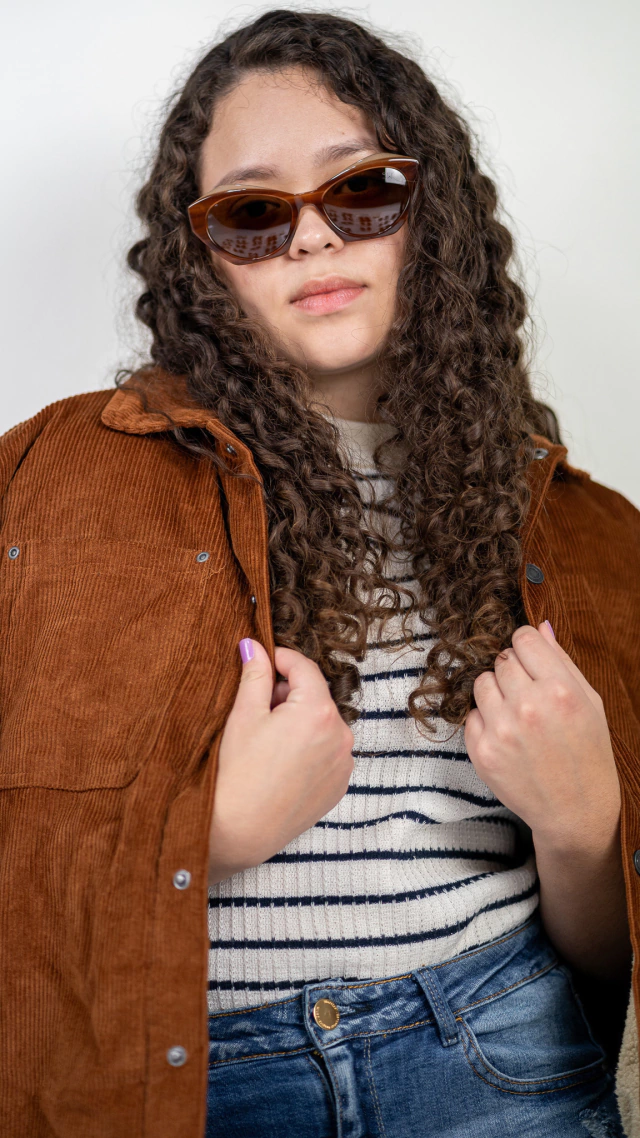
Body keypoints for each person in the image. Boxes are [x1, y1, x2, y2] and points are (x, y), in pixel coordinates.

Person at [0, 9, 638, 1137]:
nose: (310, 238)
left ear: (431, 213)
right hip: (175, 1094)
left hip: (496, 1063)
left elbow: (604, 959)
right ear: (200, 257)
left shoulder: (590, 533)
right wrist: (202, 836)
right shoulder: (48, 478)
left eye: (363, 191)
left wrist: (585, 827)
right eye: (253, 212)